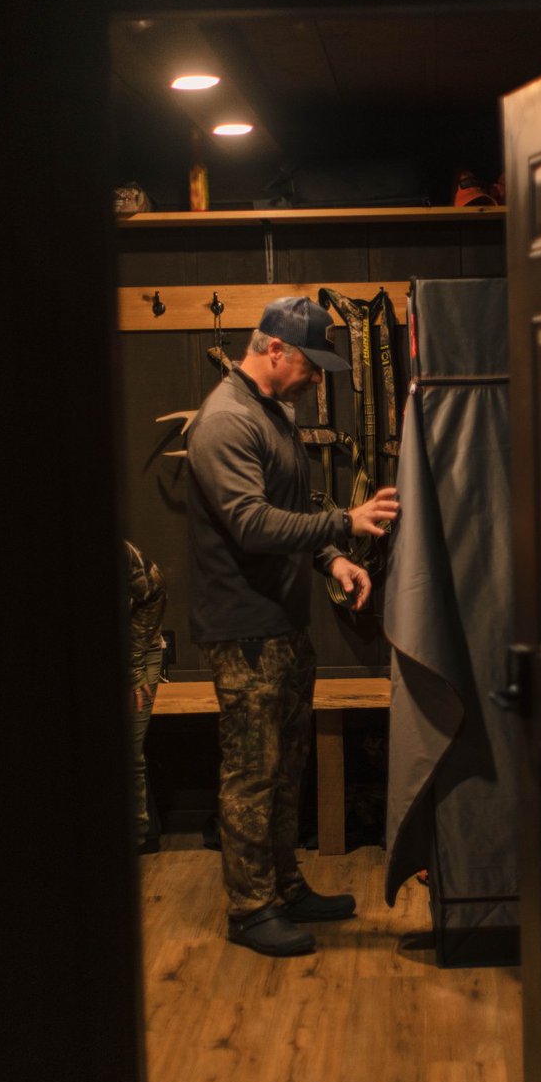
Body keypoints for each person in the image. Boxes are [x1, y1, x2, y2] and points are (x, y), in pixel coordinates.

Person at [186, 295, 400, 957]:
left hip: (281, 625)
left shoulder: (271, 414)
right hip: (244, 628)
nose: (316, 381)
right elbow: (251, 523)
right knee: (252, 772)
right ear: (275, 349)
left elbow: (294, 507)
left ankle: (284, 887)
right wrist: (345, 522)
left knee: (285, 767)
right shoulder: (225, 421)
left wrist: (332, 559)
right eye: (311, 366)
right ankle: (250, 911)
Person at [126, 539, 167, 854]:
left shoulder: (127, 556)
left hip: (139, 652)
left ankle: (137, 837)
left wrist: (134, 668)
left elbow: (153, 592)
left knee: (128, 748)